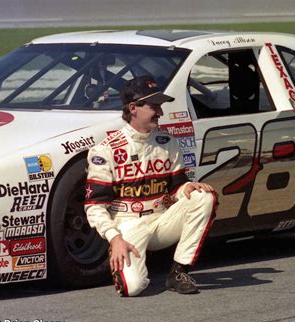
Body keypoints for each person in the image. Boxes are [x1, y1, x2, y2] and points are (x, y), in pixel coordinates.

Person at [84, 75, 218, 297]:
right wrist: (114, 237)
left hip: (161, 220)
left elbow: (176, 189)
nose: (160, 112)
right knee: (134, 288)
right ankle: (119, 254)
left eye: (160, 106)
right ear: (133, 108)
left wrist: (187, 189)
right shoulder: (105, 150)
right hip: (128, 226)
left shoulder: (168, 142)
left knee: (204, 197)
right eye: (154, 106)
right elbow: (94, 206)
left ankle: (179, 271)